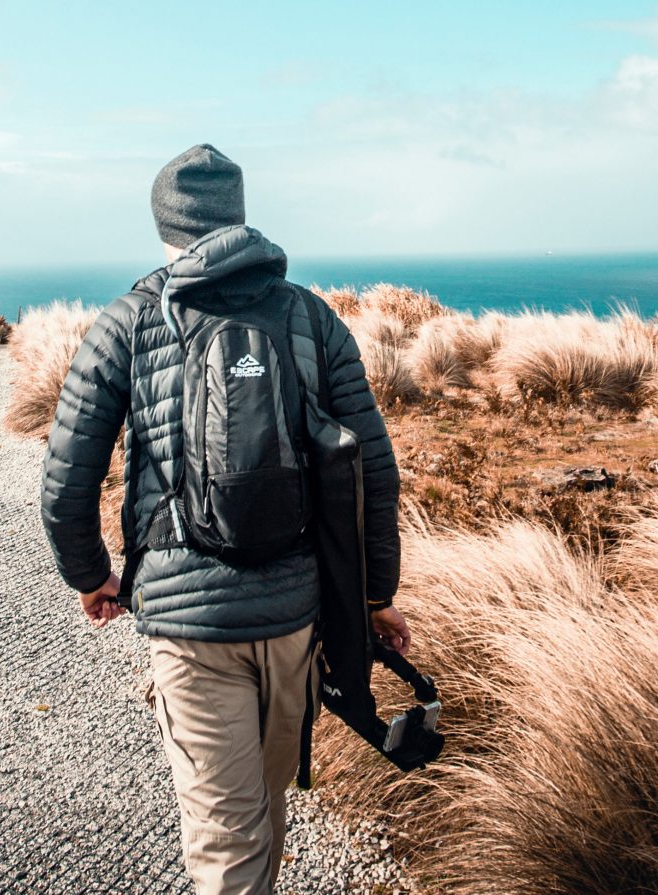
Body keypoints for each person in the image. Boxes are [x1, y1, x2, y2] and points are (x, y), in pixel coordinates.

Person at [39, 144, 411, 895]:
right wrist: (376, 595)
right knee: (263, 815)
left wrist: (91, 575)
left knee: (227, 841)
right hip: (292, 618)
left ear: (164, 224)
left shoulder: (129, 322)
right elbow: (373, 469)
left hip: (188, 625)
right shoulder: (310, 317)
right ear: (239, 215)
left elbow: (65, 482)